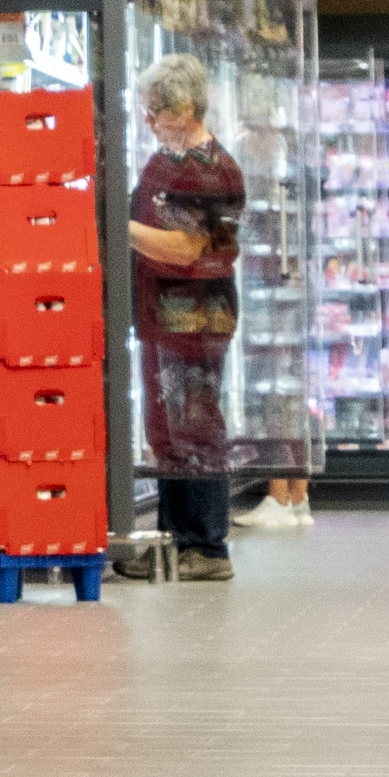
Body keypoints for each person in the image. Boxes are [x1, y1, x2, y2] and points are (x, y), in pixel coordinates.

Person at [126, 55, 246, 580]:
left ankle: (207, 545)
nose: (151, 123)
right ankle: (172, 541)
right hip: (162, 315)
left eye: (158, 112)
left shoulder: (210, 171)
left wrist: (114, 225)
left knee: (194, 428)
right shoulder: (168, 162)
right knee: (167, 430)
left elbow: (184, 248)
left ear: (186, 108)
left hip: (194, 319)